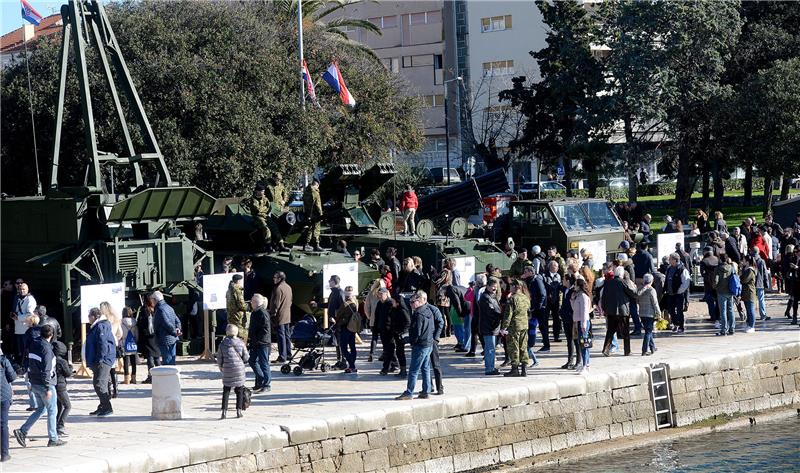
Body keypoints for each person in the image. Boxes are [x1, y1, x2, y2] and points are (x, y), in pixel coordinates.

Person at [14, 324, 65, 447]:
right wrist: (48, 387)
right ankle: (53, 438)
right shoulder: (47, 349)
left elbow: (30, 363)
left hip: (34, 382)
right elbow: (47, 370)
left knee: (41, 409)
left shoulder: (33, 344)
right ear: (51, 335)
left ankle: (22, 431)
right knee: (53, 410)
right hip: (44, 385)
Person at [395, 291, 435, 400]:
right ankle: (426, 391)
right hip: (428, 344)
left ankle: (409, 392)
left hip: (420, 345)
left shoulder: (418, 314)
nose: (411, 304)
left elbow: (417, 332)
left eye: (413, 302)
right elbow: (432, 328)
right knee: (425, 368)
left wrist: (412, 342)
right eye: (410, 302)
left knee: (413, 370)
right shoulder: (428, 311)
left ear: (420, 301)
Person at [85, 307, 115, 416]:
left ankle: (107, 407)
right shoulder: (97, 326)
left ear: (94, 316)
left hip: (103, 360)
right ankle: (102, 406)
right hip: (99, 359)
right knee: (101, 383)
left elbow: (102, 344)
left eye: (89, 316)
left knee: (99, 384)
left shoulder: (101, 326)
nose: (88, 318)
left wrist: (100, 359)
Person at [601, 266, 637, 357]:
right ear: (622, 274)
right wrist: (629, 281)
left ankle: (606, 349)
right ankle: (627, 351)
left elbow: (604, 297)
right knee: (625, 332)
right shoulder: (623, 282)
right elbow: (633, 294)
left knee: (610, 330)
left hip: (611, 310)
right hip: (622, 310)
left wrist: (604, 309)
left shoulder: (608, 283)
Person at [500, 280, 531, 377]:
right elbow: (528, 312)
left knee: (514, 347)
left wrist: (504, 327)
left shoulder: (512, 299)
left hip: (514, 326)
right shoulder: (526, 298)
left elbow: (508, 314)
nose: (510, 287)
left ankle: (515, 369)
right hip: (524, 325)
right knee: (523, 346)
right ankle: (524, 369)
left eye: (511, 286)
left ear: (515, 287)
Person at [217, 324, 249, 419]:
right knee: (239, 390)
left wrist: (221, 367)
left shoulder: (222, 344)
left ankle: (224, 412)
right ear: (237, 333)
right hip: (239, 370)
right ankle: (239, 411)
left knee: (226, 391)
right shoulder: (241, 343)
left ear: (226, 332)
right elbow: (246, 357)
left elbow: (219, 359)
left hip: (227, 370)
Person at [243, 184, 278, 253]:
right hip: (257, 217)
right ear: (257, 191)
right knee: (266, 228)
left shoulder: (265, 198)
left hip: (265, 216)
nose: (263, 192)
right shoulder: (253, 200)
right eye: (262, 191)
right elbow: (257, 210)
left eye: (263, 191)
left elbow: (269, 207)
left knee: (274, 226)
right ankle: (268, 245)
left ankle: (279, 243)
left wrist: (264, 210)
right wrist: (264, 210)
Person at [247, 293, 271, 393]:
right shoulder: (254, 312)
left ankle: (266, 384)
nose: (251, 303)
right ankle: (259, 381)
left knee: (264, 363)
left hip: (262, 343)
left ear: (256, 302)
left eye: (252, 301)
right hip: (255, 342)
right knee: (252, 361)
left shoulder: (262, 313)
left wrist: (258, 340)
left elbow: (265, 329)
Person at [150, 291, 182, 366]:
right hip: (173, 339)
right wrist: (178, 329)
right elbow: (177, 321)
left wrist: (175, 332)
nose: (151, 302)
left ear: (155, 300)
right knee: (172, 361)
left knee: (168, 363)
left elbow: (166, 323)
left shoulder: (160, 309)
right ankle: (173, 377)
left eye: (152, 300)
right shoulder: (169, 307)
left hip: (165, 339)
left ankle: (170, 377)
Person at [479, 280, 503, 376]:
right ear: (487, 286)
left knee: (492, 348)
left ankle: (491, 367)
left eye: (496, 287)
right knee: (489, 349)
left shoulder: (493, 296)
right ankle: (489, 368)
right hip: (488, 327)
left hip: (493, 327)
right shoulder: (485, 297)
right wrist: (501, 316)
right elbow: (490, 313)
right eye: (493, 286)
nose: (495, 288)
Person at [100, 301, 122, 399]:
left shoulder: (103, 319)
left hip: (106, 344)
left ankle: (108, 390)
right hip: (114, 344)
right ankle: (116, 390)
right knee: (113, 369)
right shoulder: (116, 318)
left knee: (106, 368)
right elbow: (120, 333)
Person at [270, 271, 293, 363]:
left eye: (275, 277)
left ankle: (282, 356)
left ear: (280, 279)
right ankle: (288, 354)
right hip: (287, 314)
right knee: (287, 335)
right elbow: (291, 300)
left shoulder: (278, 288)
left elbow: (276, 304)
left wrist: (272, 314)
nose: (273, 279)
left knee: (281, 336)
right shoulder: (288, 287)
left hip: (280, 316)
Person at [335, 287, 360, 374]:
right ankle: (352, 366)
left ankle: (352, 366)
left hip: (345, 328)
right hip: (352, 328)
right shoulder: (355, 302)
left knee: (344, 348)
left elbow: (341, 317)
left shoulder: (345, 304)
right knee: (352, 347)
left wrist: (337, 322)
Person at [664, 253, 690, 333]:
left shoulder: (682, 269)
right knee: (671, 310)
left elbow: (686, 282)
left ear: (675, 260)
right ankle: (675, 324)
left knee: (679, 311)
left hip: (679, 294)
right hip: (670, 293)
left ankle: (681, 326)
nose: (669, 261)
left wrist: (679, 291)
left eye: (670, 259)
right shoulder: (669, 268)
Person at [571, 278, 592, 374]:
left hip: (583, 322)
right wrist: (572, 299)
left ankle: (585, 365)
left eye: (575, 284)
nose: (574, 286)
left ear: (579, 286)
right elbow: (574, 308)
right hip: (578, 321)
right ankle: (585, 363)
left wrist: (583, 324)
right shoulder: (578, 296)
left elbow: (584, 311)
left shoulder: (583, 296)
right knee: (582, 343)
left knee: (584, 344)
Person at [540, 260, 562, 352]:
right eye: (555, 266)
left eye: (557, 266)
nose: (557, 268)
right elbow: (544, 286)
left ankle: (556, 336)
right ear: (550, 267)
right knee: (545, 320)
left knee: (556, 318)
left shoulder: (558, 276)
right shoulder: (544, 276)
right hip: (547, 301)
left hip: (556, 300)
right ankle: (546, 338)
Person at [136, 304, 161, 384]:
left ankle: (151, 376)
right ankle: (160, 375)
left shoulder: (144, 312)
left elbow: (140, 325)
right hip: (155, 337)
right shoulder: (156, 313)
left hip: (147, 338)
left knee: (150, 358)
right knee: (157, 357)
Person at [373, 288, 395, 375]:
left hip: (390, 330)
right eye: (379, 294)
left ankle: (386, 367)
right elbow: (376, 317)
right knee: (388, 349)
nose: (380, 296)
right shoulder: (379, 303)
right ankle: (395, 364)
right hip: (382, 330)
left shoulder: (390, 303)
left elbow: (394, 317)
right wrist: (375, 329)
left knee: (388, 349)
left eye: (382, 294)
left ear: (386, 294)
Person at [637, 273, 660, 356]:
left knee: (648, 331)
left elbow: (637, 298)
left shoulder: (640, 289)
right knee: (648, 332)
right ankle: (644, 350)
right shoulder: (651, 290)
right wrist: (659, 313)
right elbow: (655, 303)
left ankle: (653, 348)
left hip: (642, 313)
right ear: (652, 281)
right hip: (650, 314)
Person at [52, 341, 71, 438]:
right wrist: (70, 367)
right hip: (61, 386)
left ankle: (55, 426)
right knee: (67, 406)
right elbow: (68, 373)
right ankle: (60, 426)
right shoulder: (62, 361)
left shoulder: (51, 359)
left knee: (59, 406)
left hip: (53, 385)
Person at [713, 253, 736, 336]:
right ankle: (732, 329)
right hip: (730, 291)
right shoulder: (732, 268)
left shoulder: (718, 268)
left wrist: (714, 287)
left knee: (723, 311)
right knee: (731, 310)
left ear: (720, 259)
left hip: (721, 292)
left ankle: (724, 329)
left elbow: (715, 281)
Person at [0, 348, 17, 461]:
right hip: (4, 395)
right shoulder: (3, 360)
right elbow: (12, 377)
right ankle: (5, 454)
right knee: (3, 424)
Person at [388, 295, 410, 377]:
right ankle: (402, 370)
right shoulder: (394, 310)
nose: (392, 302)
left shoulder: (403, 311)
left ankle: (403, 371)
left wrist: (402, 332)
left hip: (400, 335)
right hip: (395, 334)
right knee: (398, 352)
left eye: (393, 301)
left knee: (400, 352)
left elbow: (408, 322)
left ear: (398, 302)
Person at [13, 283, 36, 361]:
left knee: (26, 349)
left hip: (25, 328)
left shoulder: (30, 299)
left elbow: (30, 314)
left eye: (24, 289)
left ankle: (26, 366)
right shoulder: (18, 298)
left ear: (27, 289)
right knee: (20, 350)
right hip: (18, 328)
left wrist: (18, 317)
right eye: (20, 289)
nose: (22, 291)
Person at [301, 179, 324, 252]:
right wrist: (321, 215)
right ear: (317, 185)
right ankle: (316, 245)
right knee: (316, 229)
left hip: (307, 213)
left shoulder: (306, 191)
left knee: (309, 229)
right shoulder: (316, 192)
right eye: (318, 186)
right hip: (315, 214)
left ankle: (306, 244)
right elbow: (318, 205)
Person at [700, 247, 720, 325]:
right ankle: (718, 315)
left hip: (708, 284)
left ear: (705, 252)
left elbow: (702, 273)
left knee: (710, 301)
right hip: (718, 283)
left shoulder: (704, 261)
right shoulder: (717, 259)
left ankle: (713, 316)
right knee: (718, 300)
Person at [226, 274, 248, 341]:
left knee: (233, 333)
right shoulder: (237, 290)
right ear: (238, 281)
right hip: (238, 316)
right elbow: (241, 304)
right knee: (241, 334)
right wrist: (248, 307)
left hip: (231, 315)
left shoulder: (229, 290)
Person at [750, 248, 771, 321]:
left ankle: (751, 316)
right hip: (760, 283)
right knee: (761, 300)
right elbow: (765, 273)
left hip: (751, 283)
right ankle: (763, 315)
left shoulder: (750, 260)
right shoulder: (761, 261)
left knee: (752, 300)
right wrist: (767, 284)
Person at [120, 307, 138, 384]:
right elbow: (137, 334)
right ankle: (134, 378)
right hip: (133, 343)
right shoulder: (135, 322)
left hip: (124, 343)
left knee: (126, 362)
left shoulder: (121, 322)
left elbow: (120, 333)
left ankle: (126, 379)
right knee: (133, 362)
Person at [740, 256, 758, 333]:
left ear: (747, 261)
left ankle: (752, 326)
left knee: (751, 310)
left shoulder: (750, 270)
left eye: (744, 260)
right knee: (748, 309)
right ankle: (749, 324)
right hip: (746, 292)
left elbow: (744, 280)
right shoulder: (746, 269)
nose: (742, 262)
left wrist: (740, 275)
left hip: (750, 292)